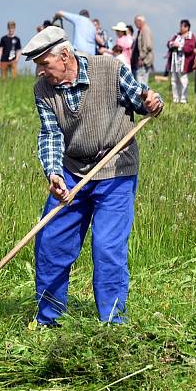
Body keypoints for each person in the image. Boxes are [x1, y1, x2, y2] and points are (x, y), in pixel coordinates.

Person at [22, 26, 163, 326]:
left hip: (115, 169)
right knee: (51, 242)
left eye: (44, 64)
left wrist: (152, 100)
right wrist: (54, 173)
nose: (40, 72)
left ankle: (112, 324)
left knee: (107, 247)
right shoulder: (43, 91)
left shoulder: (109, 69)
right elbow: (50, 135)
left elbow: (142, 99)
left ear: (65, 56)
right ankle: (48, 321)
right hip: (73, 172)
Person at [166, 19, 196, 103]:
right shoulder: (177, 36)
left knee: (183, 80)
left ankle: (183, 99)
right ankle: (175, 98)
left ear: (187, 27)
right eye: (181, 26)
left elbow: (190, 48)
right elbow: (169, 43)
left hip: (183, 62)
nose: (181, 28)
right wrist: (172, 44)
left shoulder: (190, 36)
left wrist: (179, 46)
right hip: (174, 61)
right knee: (174, 80)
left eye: (182, 26)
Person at [131, 15, 154, 85]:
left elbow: (148, 46)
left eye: (135, 22)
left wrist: (141, 57)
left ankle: (143, 96)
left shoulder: (145, 30)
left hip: (144, 61)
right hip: (142, 61)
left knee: (141, 83)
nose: (135, 24)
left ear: (140, 21)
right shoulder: (142, 30)